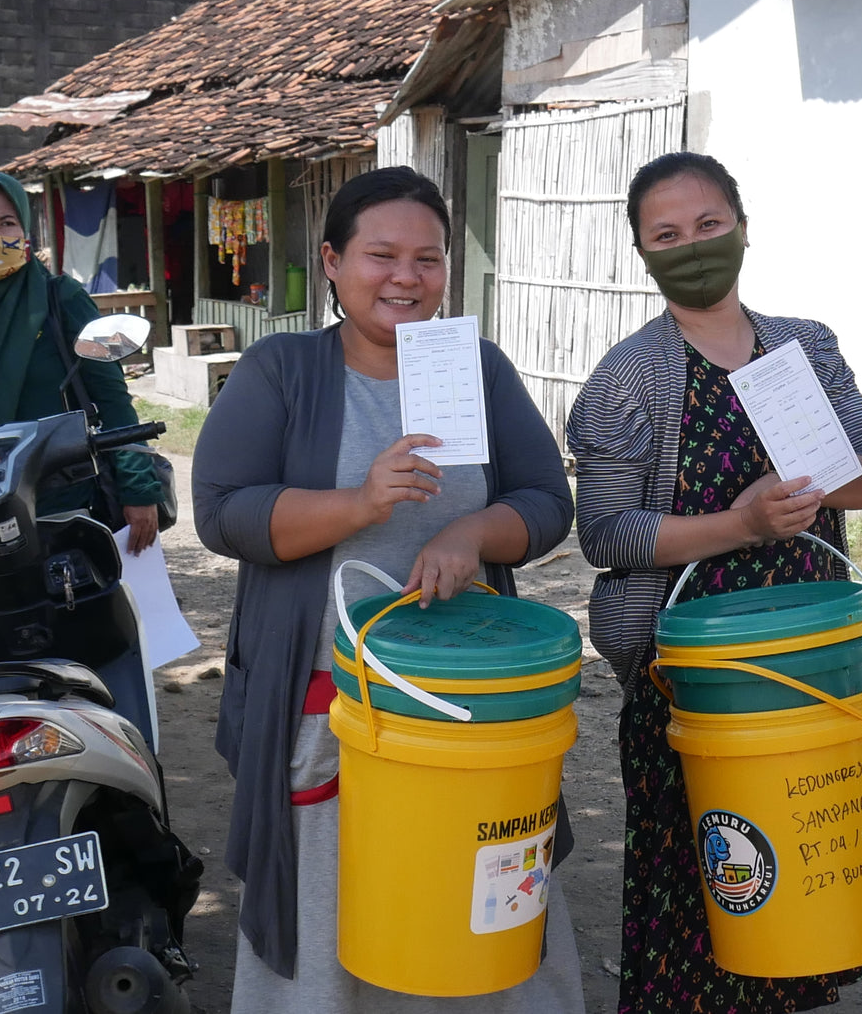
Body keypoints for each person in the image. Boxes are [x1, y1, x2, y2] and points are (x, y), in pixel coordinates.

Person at [192, 166, 583, 1013]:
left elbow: (547, 502)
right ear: (331, 262)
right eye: (381, 255)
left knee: (479, 904)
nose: (406, 277)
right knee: (333, 918)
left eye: (428, 258)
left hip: (471, 702)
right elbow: (223, 512)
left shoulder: (473, 366)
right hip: (330, 706)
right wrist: (359, 503)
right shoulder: (282, 369)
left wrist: (469, 532)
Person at [565, 152, 862, 1014]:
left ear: (743, 226)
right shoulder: (627, 379)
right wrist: (737, 527)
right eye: (665, 234)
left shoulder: (803, 345)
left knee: (799, 875)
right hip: (687, 671)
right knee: (707, 874)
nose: (692, 246)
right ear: (642, 252)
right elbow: (604, 533)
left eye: (708, 225)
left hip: (804, 661)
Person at [0, 169, 162, 554]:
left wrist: (139, 489)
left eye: (7, 223)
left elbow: (112, 400)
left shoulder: (59, 300)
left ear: (26, 231)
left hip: (57, 510)